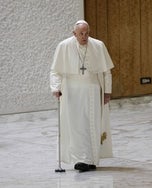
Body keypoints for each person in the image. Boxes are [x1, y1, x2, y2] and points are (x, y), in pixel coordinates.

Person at [50, 20, 114, 172]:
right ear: (74, 33)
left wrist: (107, 92)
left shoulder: (98, 45)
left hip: (92, 91)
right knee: (76, 126)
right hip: (72, 92)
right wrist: (55, 87)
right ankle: (80, 159)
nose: (84, 37)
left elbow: (106, 72)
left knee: (92, 125)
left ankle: (90, 159)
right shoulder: (64, 46)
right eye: (81, 34)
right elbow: (55, 71)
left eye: (87, 33)